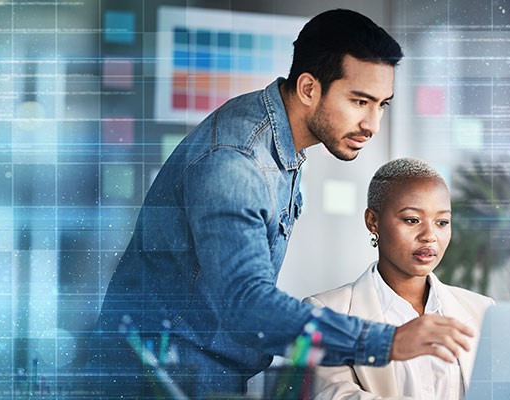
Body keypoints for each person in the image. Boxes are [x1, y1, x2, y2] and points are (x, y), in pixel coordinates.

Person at [90, 10, 474, 398]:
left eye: (382, 105)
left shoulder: (277, 142)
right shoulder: (237, 162)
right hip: (155, 384)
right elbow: (247, 306)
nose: (372, 124)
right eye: (360, 101)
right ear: (309, 88)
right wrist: (387, 342)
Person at [305, 158, 495, 400]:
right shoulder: (326, 312)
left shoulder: (482, 310)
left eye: (442, 222)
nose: (429, 236)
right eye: (412, 220)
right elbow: (332, 395)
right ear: (373, 221)